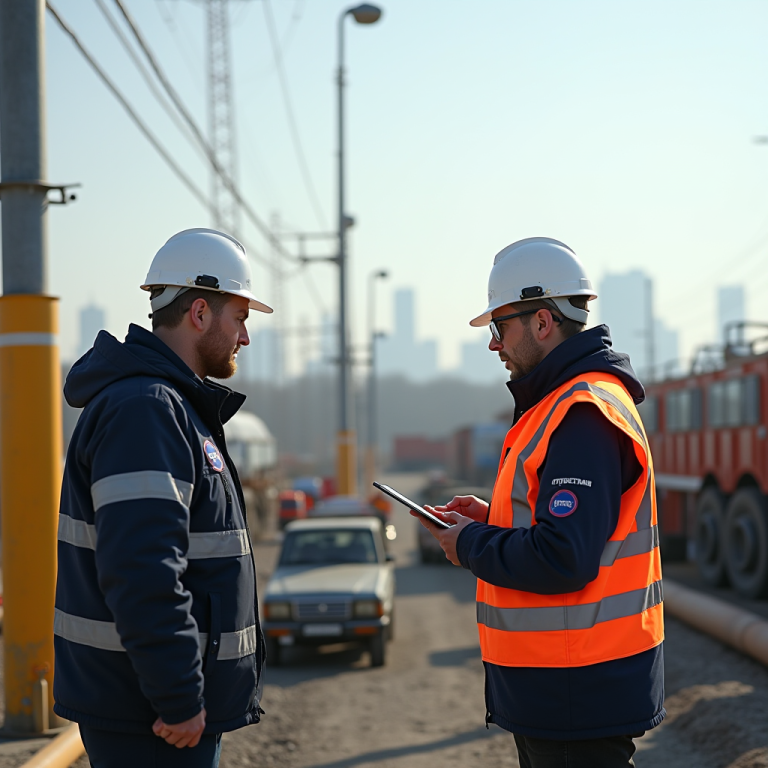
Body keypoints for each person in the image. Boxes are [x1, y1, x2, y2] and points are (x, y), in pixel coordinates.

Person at [415, 237, 665, 768]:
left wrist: (470, 544)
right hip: (564, 690)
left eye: (498, 328)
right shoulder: (559, 405)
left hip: (577, 691)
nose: (493, 345)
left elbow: (563, 557)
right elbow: (559, 526)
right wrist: (494, 519)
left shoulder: (581, 412)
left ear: (543, 322)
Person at [54, 228, 273, 768]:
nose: (245, 337)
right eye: (240, 317)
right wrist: (177, 698)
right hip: (152, 718)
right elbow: (143, 570)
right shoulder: (147, 410)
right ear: (199, 312)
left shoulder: (168, 405)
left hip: (150, 708)